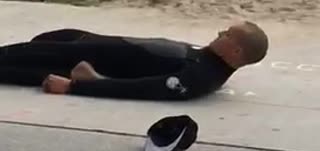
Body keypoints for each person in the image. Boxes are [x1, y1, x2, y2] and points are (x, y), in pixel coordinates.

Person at [0, 21, 268, 100]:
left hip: (82, 62)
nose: (219, 32)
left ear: (235, 53)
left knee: (11, 63)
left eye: (227, 35)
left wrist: (78, 86)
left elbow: (145, 89)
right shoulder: (211, 60)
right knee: (45, 39)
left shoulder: (200, 77)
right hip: (89, 44)